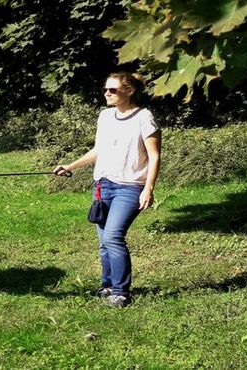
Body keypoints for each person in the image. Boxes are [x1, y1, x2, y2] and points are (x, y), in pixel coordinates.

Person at [54, 72, 161, 308]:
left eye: (112, 90)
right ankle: (107, 285)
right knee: (104, 241)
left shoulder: (144, 118)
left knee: (113, 236)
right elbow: (98, 150)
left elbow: (154, 156)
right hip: (103, 186)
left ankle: (121, 292)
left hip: (130, 187)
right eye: (105, 89)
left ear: (129, 91)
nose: (107, 93)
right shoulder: (105, 117)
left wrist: (148, 189)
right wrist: (69, 166)